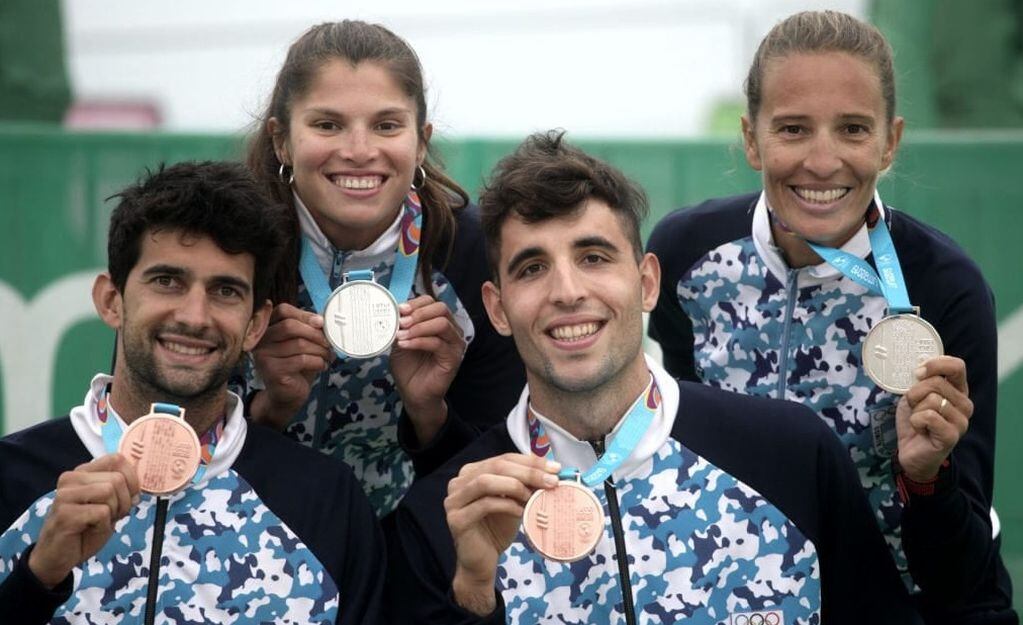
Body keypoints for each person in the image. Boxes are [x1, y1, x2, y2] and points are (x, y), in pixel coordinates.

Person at [385, 131, 920, 624]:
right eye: (532, 268)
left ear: (646, 284)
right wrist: (475, 591)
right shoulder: (445, 516)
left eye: (594, 257)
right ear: (498, 309)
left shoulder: (790, 453)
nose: (567, 292)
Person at [646, 10, 1016, 624]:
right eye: (793, 129)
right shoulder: (688, 256)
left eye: (852, 129)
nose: (822, 162)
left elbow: (963, 575)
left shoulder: (946, 287)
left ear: (890, 141)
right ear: (751, 137)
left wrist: (926, 478)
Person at [0, 162, 382, 625]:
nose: (195, 316)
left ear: (255, 324)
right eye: (167, 281)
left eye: (225, 290)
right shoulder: (12, 477)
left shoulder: (326, 501)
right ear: (111, 300)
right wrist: (38, 579)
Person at [239, 20, 524, 516]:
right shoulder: (230, 244)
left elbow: (501, 465)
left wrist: (430, 414)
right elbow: (166, 445)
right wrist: (267, 411)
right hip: (254, 554)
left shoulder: (475, 252)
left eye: (387, 125)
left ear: (420, 142)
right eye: (327, 125)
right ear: (281, 140)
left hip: (412, 555)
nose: (359, 150)